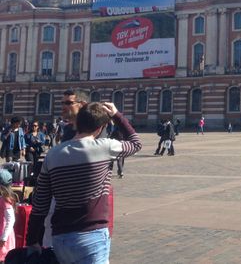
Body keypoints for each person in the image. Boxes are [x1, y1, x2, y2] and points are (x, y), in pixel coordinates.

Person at [26, 102, 142, 263]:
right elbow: (136, 143)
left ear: (76, 123)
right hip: (92, 235)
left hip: (60, 238)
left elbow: (40, 204)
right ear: (100, 128)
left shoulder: (53, 154)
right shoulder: (105, 147)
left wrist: (32, 240)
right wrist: (117, 115)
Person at [0, 169, 16, 261]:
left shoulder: (4, 200)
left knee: (3, 258)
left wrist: (4, 238)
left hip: (3, 235)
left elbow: (11, 219)